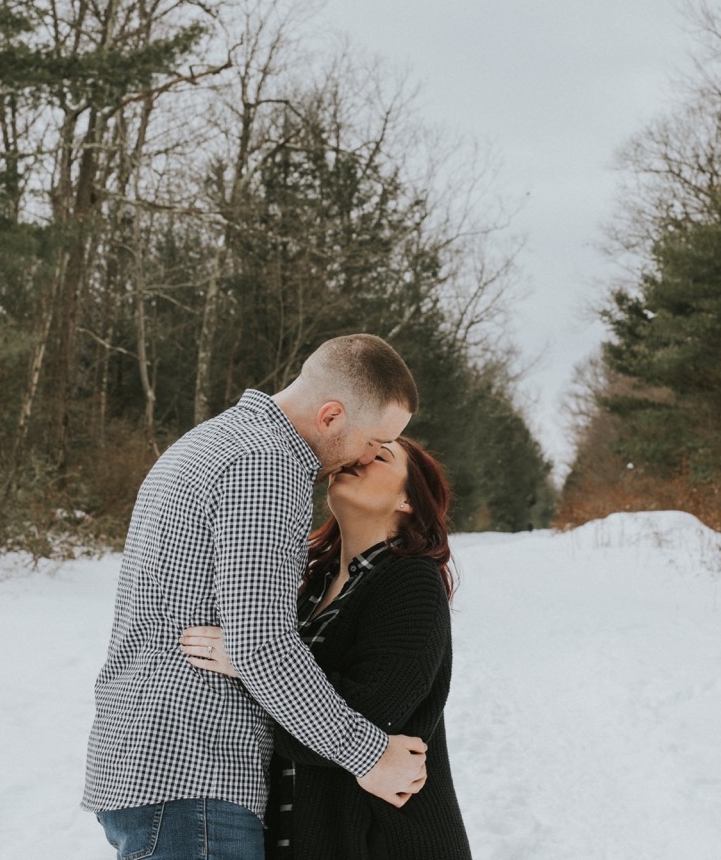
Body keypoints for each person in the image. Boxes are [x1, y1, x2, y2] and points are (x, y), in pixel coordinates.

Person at [83, 334, 431, 860]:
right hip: (194, 768)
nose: (367, 456)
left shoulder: (215, 439)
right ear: (332, 415)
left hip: (153, 764)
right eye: (374, 439)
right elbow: (261, 644)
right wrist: (370, 756)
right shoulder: (266, 467)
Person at [181, 435, 473, 860]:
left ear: (408, 501)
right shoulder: (311, 589)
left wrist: (250, 662)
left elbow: (366, 716)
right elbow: (298, 709)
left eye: (381, 457)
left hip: (385, 843)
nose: (361, 457)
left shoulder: (411, 581)